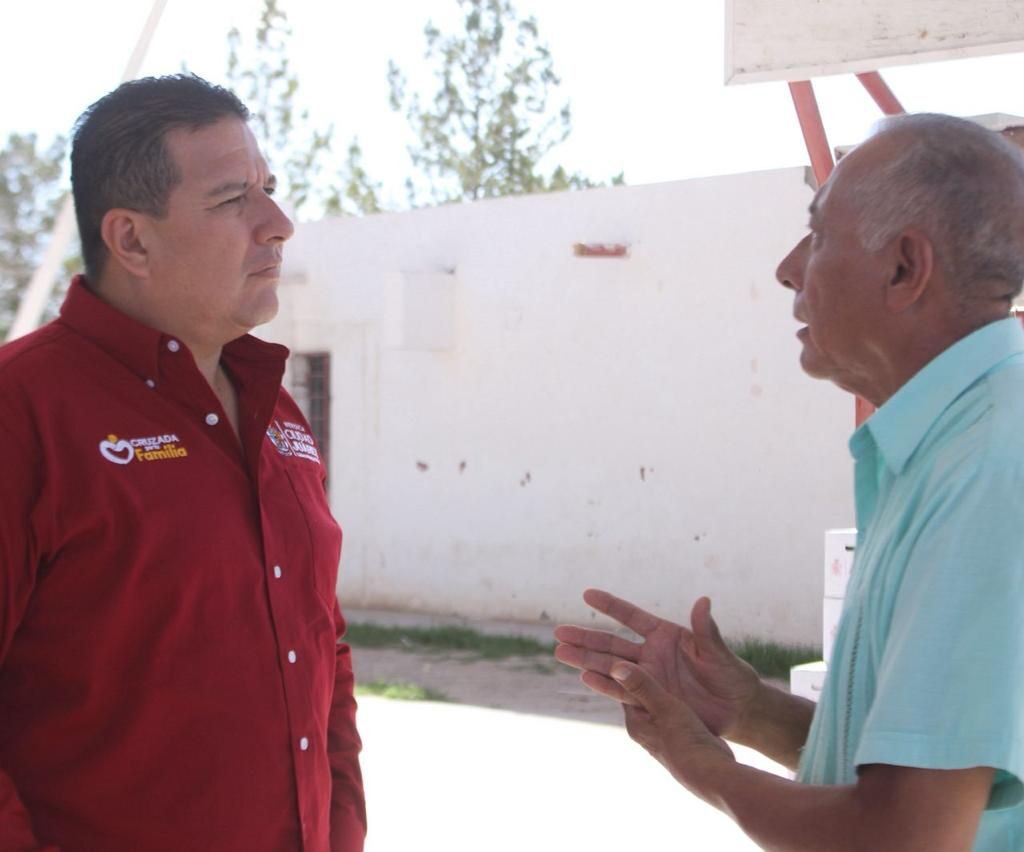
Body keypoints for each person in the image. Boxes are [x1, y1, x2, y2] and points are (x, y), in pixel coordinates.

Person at [555, 113, 1024, 850]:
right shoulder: (954, 446)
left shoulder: (989, 465)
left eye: (820, 233)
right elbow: (916, 774)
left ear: (905, 268)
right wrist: (751, 711)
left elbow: (903, 835)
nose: (788, 267)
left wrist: (705, 767)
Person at [0, 74, 365, 851]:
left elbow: (321, 648)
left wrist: (341, 829)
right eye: (234, 199)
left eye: (270, 190)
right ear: (131, 239)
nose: (279, 225)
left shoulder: (277, 411)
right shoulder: (21, 411)